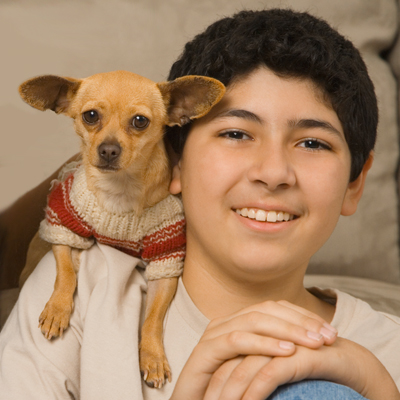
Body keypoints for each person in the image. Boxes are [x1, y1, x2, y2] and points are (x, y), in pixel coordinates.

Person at [0, 8, 399, 400]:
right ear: (175, 162)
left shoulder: (387, 350)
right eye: (237, 134)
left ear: (354, 183)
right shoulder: (79, 294)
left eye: (313, 143)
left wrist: (376, 386)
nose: (274, 172)